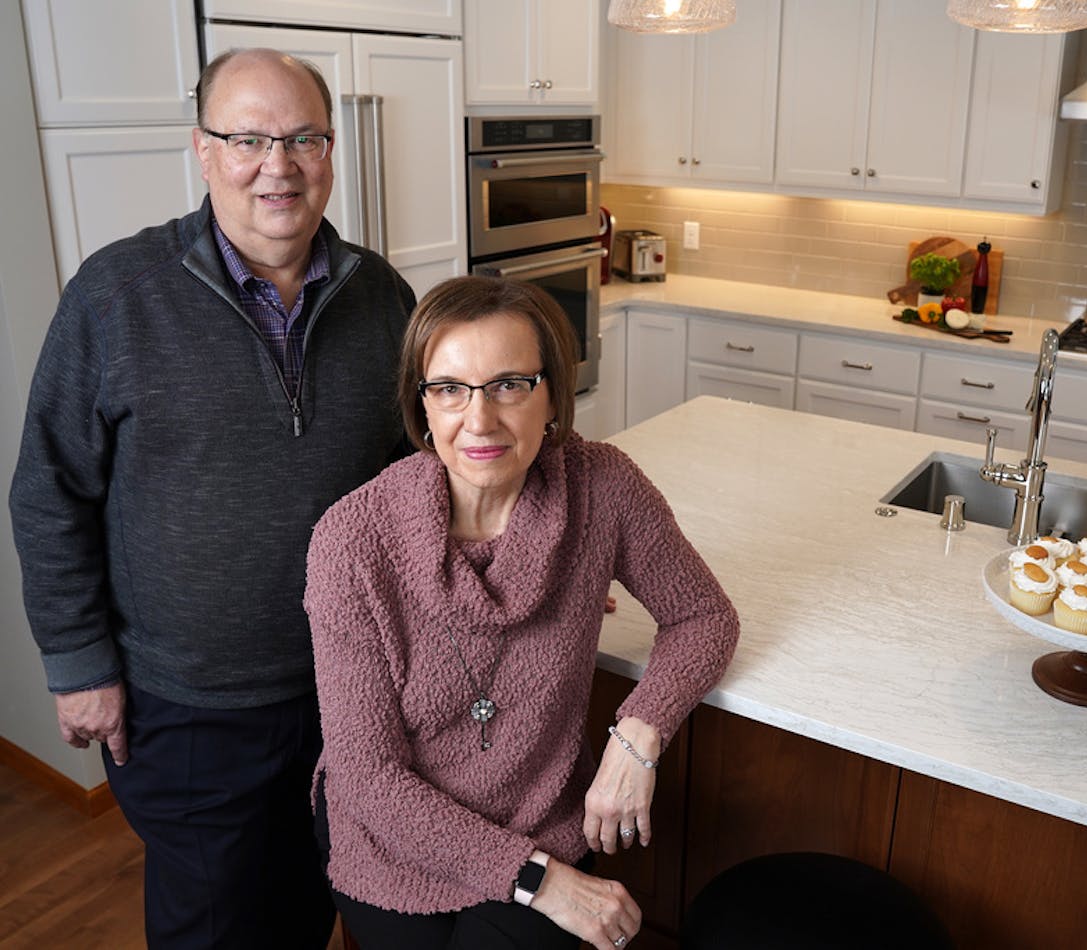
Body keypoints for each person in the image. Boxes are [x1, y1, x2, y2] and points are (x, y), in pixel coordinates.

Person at [8, 48, 416, 948]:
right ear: (202, 150)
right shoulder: (117, 296)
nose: (279, 164)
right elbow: (49, 490)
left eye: (304, 137)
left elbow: (422, 479)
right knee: (214, 927)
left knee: (312, 907)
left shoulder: (382, 296)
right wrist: (78, 662)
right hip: (185, 707)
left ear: (332, 150)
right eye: (248, 138)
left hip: (345, 687)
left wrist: (537, 544)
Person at [304, 276, 740, 950]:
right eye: (448, 388)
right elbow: (368, 779)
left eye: (510, 384)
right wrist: (542, 882)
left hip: (540, 820)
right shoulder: (352, 541)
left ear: (554, 397)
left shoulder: (603, 488)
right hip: (394, 844)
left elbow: (702, 616)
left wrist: (639, 736)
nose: (478, 420)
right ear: (422, 408)